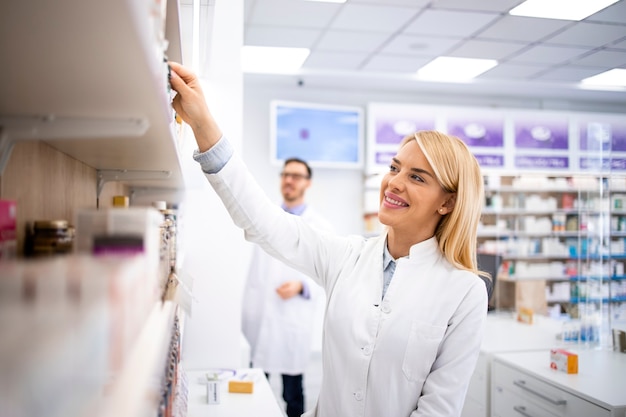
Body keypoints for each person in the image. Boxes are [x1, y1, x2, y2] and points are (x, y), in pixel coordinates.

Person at [169, 61, 488, 417]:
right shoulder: (348, 256)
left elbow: (439, 409)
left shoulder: (464, 292)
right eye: (395, 168)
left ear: (447, 202)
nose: (394, 182)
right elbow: (263, 221)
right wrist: (202, 124)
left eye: (417, 177)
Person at [242, 157, 332, 417]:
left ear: (308, 183)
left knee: (292, 392)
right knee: (257, 386)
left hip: (292, 316)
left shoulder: (320, 227)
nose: (289, 180)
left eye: (296, 175)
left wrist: (302, 286)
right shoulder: (266, 218)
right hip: (261, 315)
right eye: (285, 174)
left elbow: (328, 273)